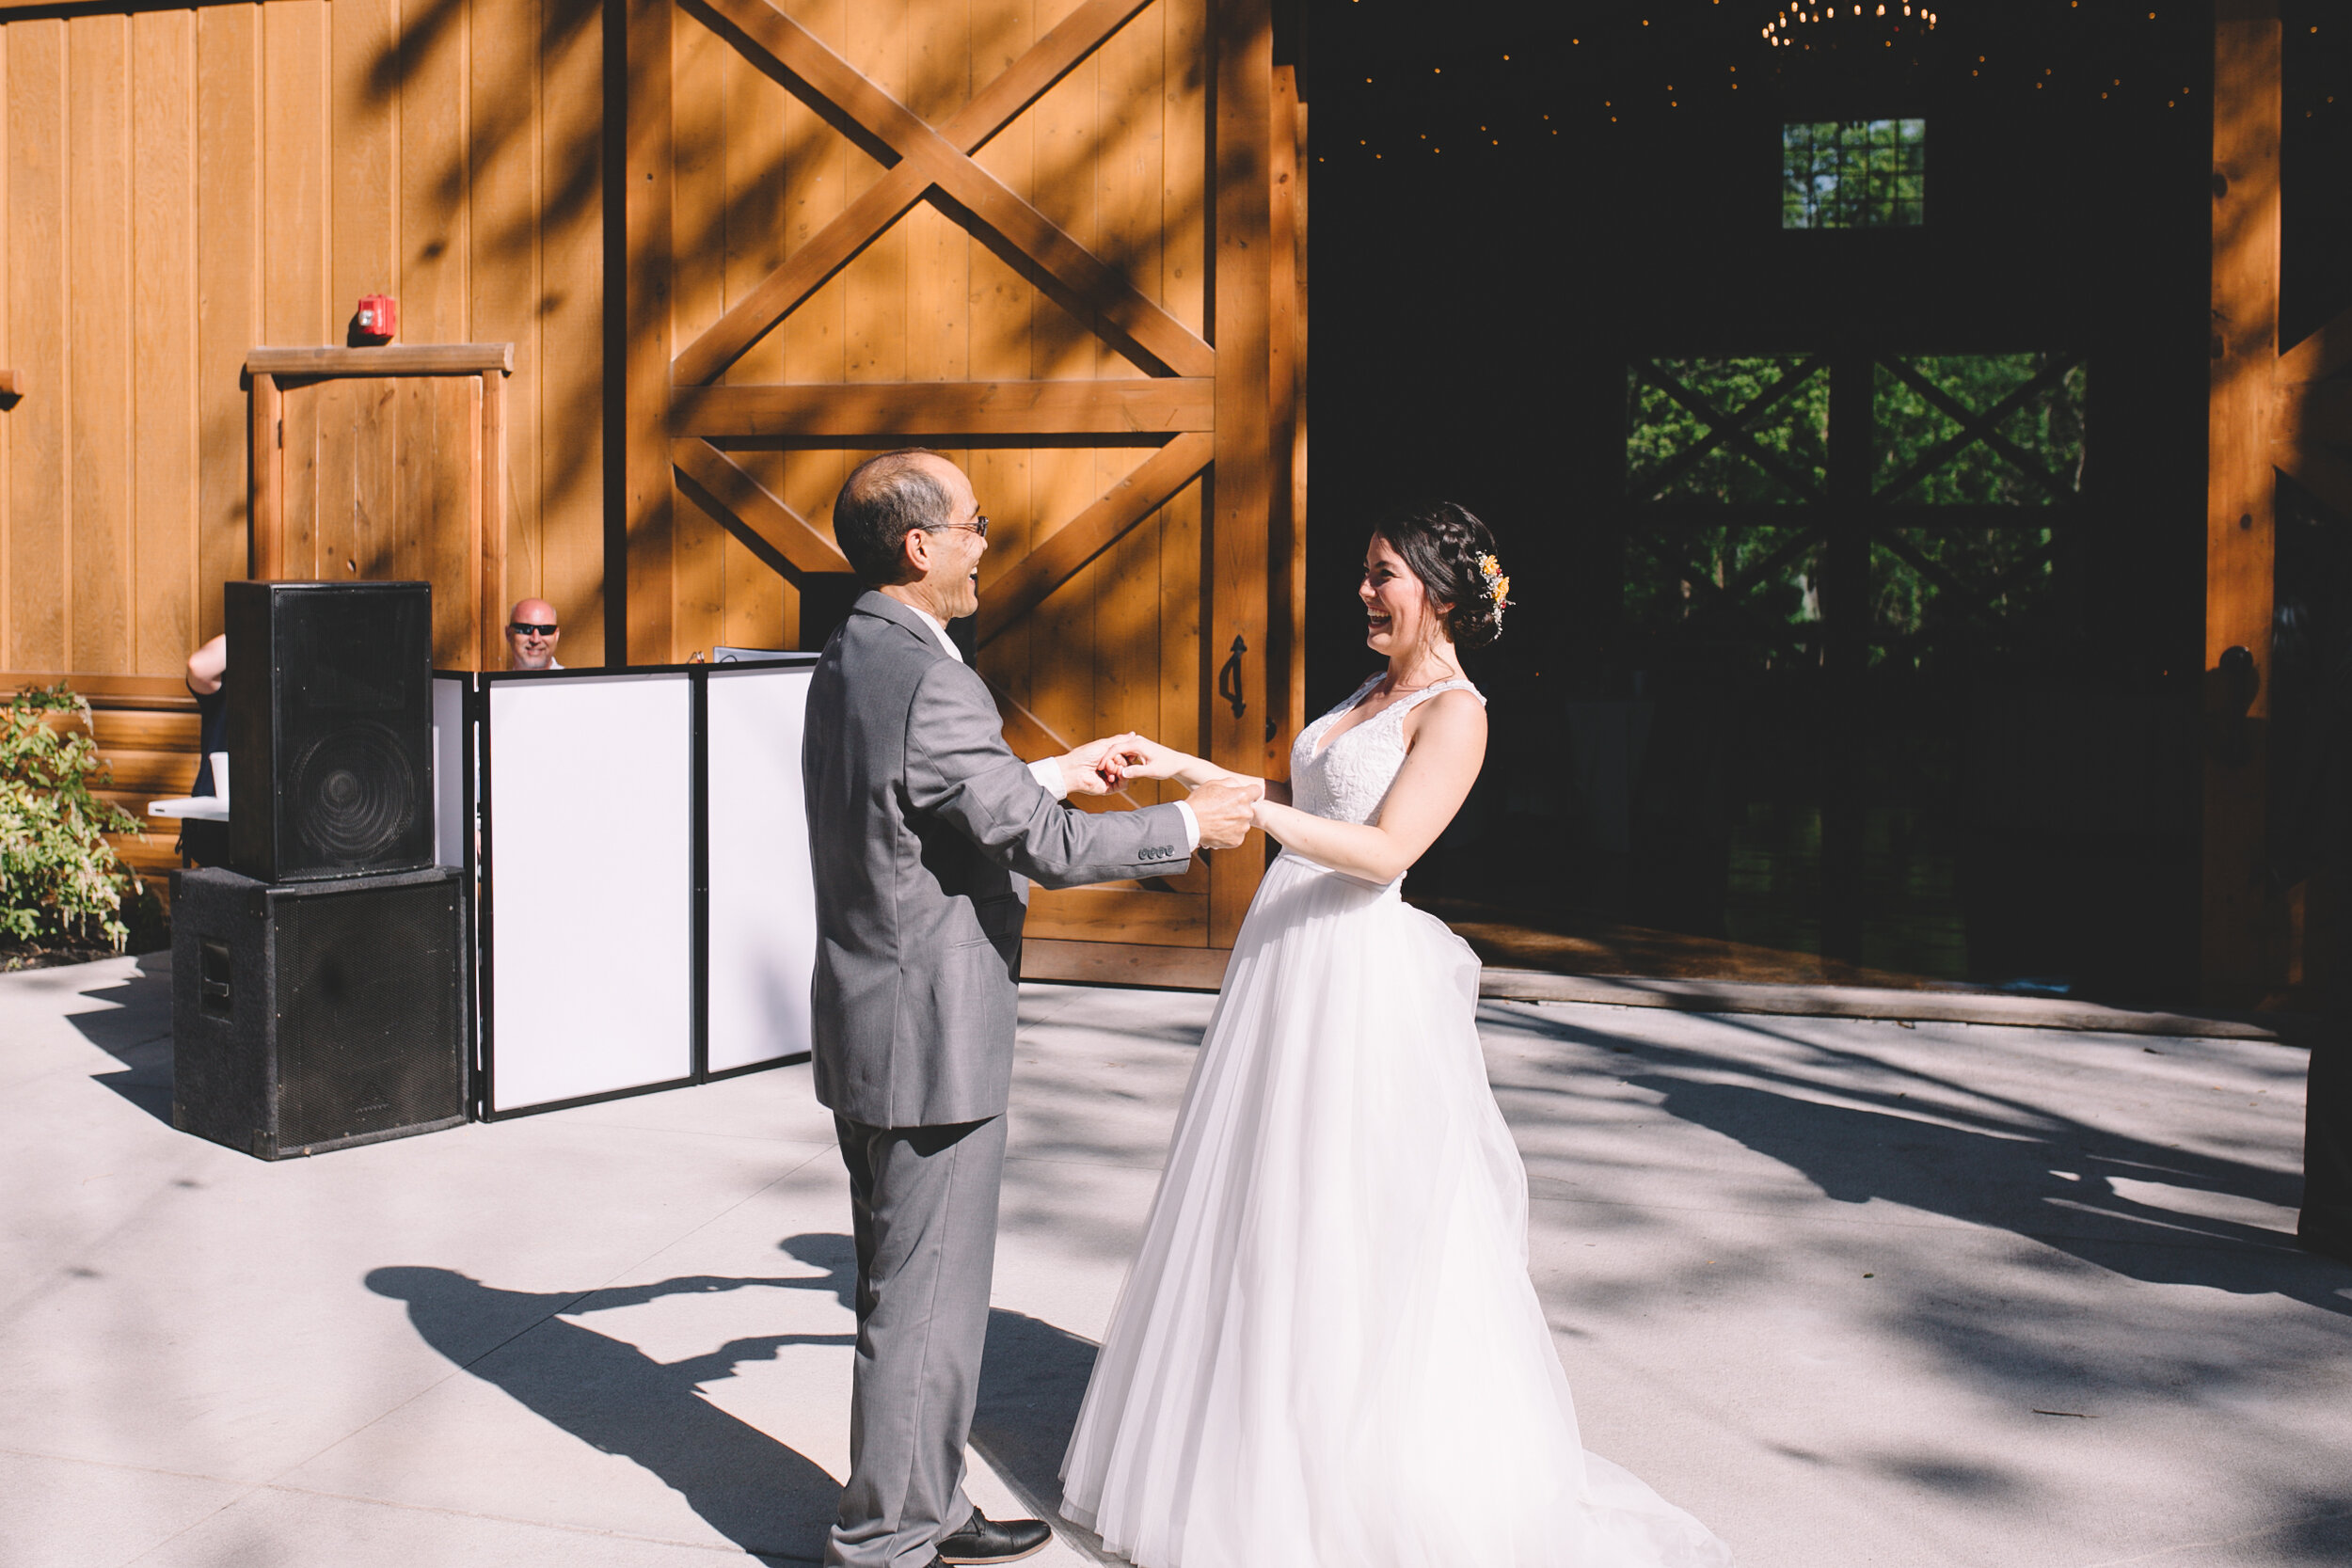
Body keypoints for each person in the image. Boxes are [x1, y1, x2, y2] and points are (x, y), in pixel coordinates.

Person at [1058, 503, 1734, 1567]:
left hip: (1352, 974)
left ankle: (1332, 1475)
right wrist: (1185, 766)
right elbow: (1307, 793)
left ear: (1443, 591)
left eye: (1383, 576)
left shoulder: (1457, 712)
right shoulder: (1374, 693)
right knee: (1258, 1205)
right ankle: (1244, 1448)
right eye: (1364, 574)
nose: (1364, 593)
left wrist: (1253, 813)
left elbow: (1383, 852)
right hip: (1284, 958)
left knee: (1337, 1214)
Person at [801, 448, 1259, 1568]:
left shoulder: (858, 649)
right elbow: (1042, 850)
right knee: (925, 1304)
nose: (984, 542)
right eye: (974, 523)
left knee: (909, 1290)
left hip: (873, 1022)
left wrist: (1051, 770)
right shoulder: (933, 675)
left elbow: (938, 804)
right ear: (921, 545)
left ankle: (927, 1501)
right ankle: (884, 1541)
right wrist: (1185, 828)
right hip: (930, 1042)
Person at [506, 598, 564, 669]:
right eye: (526, 629)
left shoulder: (575, 680)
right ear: (508, 634)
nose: (535, 640)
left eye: (545, 630)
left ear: (556, 635)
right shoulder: (493, 680)